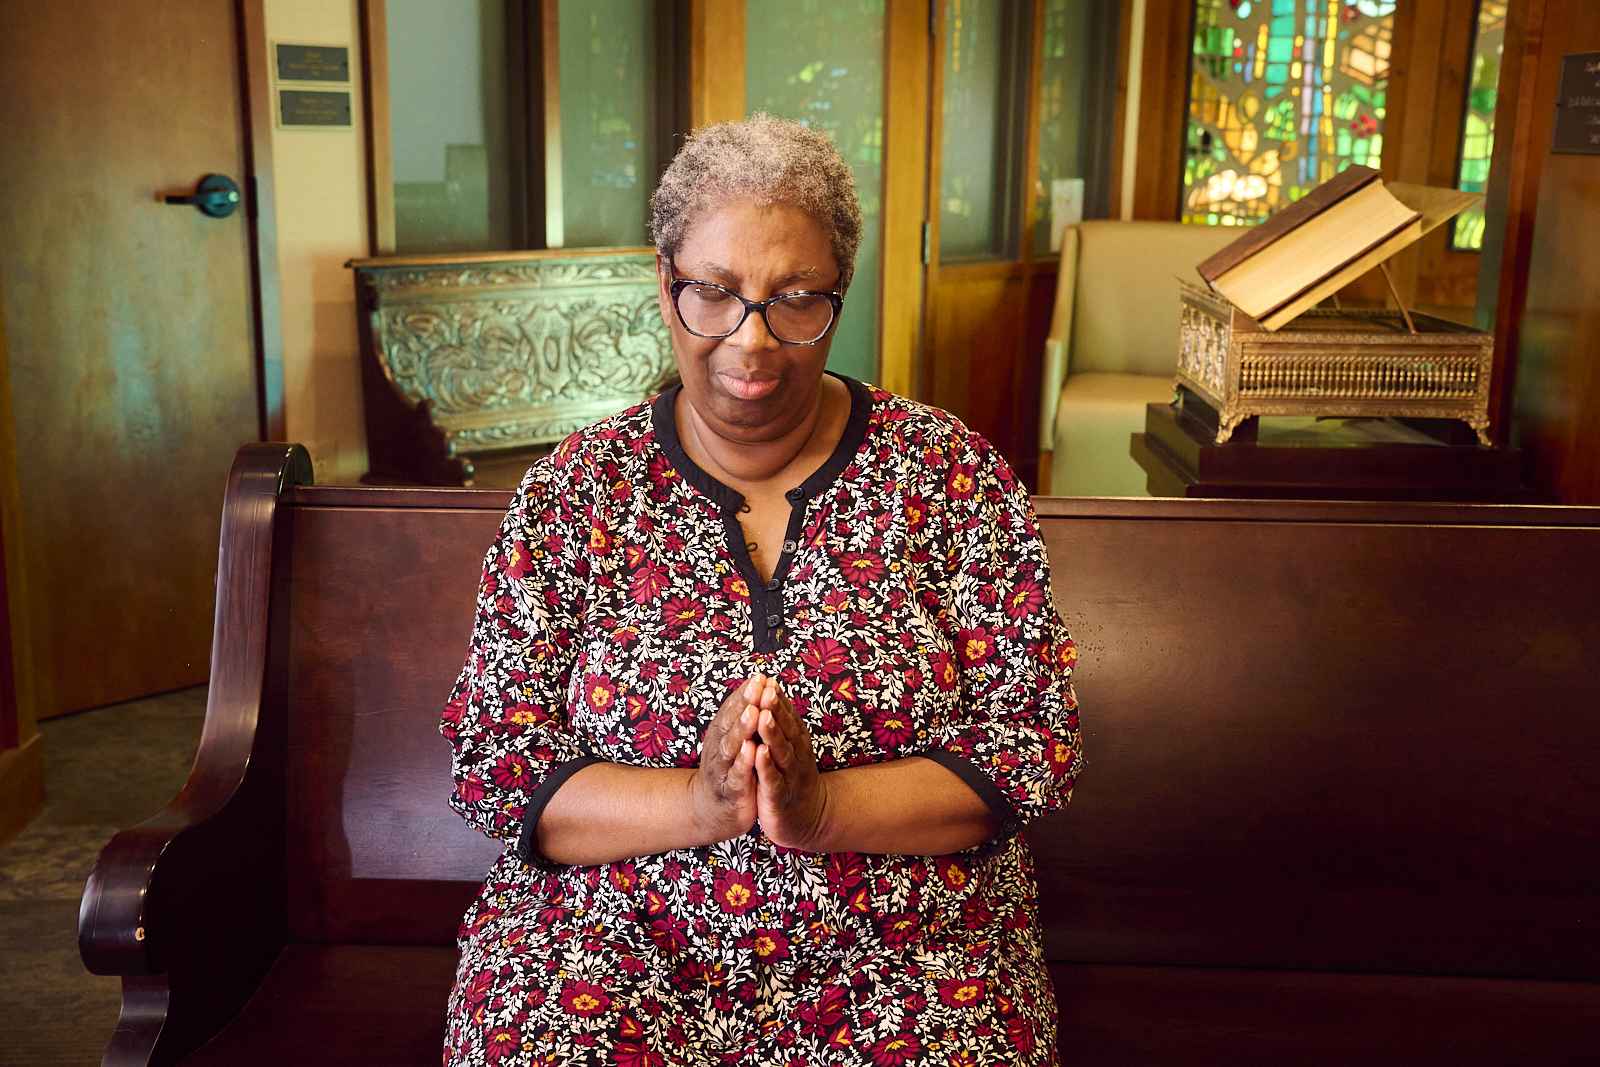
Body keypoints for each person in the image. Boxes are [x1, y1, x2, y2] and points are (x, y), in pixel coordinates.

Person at [440, 113, 1083, 1066]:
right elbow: (496, 759)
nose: (752, 342)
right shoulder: (576, 492)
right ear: (666, 287)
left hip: (912, 953)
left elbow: (1032, 745)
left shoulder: (950, 475)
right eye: (716, 293)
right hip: (607, 946)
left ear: (839, 297)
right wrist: (699, 808)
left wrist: (820, 809)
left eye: (794, 299)